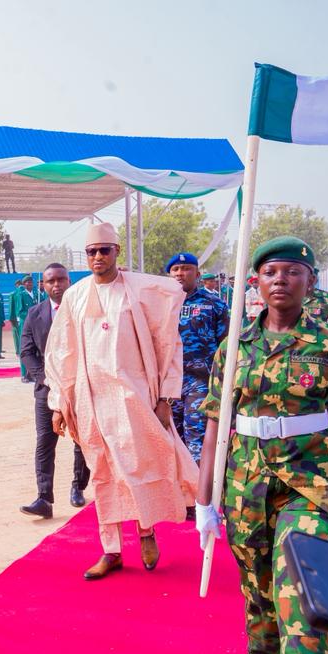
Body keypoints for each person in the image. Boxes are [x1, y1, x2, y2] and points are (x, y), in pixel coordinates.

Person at [195, 236, 328, 654]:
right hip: (246, 487)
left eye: (292, 271)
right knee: (261, 599)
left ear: (310, 281)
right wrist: (204, 502)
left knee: (302, 603)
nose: (281, 280)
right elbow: (215, 428)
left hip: (311, 487)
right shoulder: (234, 346)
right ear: (256, 282)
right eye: (270, 272)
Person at [44, 223, 196, 580]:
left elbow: (167, 343)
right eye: (91, 251)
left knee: (136, 468)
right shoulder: (75, 296)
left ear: (116, 251)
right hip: (89, 399)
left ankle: (146, 532)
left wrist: (165, 397)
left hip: (132, 397)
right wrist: (58, 402)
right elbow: (63, 351)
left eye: (104, 250)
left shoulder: (140, 291)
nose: (98, 257)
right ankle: (110, 550)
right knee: (102, 474)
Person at [19, 263, 89, 518]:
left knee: (81, 440)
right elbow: (26, 352)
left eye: (61, 280)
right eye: (51, 281)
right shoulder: (35, 314)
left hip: (79, 387)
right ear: (44, 285)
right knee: (45, 442)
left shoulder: (83, 310)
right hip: (46, 390)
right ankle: (44, 498)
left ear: (69, 282)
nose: (57, 285)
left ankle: (78, 486)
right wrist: (46, 379)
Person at [167, 253, 229, 468]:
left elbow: (225, 345)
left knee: (196, 439)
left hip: (201, 381)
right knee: (171, 440)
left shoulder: (214, 304)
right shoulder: (159, 302)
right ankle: (179, 486)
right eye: (175, 269)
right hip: (169, 384)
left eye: (186, 269)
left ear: (197, 274)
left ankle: (199, 487)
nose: (180, 273)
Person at [9, 275, 37, 382]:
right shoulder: (21, 295)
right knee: (24, 348)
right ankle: (24, 374)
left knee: (33, 349)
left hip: (35, 325)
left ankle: (31, 373)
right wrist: (33, 315)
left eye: (31, 282)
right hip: (25, 324)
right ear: (24, 284)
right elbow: (20, 312)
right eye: (27, 282)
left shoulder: (35, 294)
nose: (30, 284)